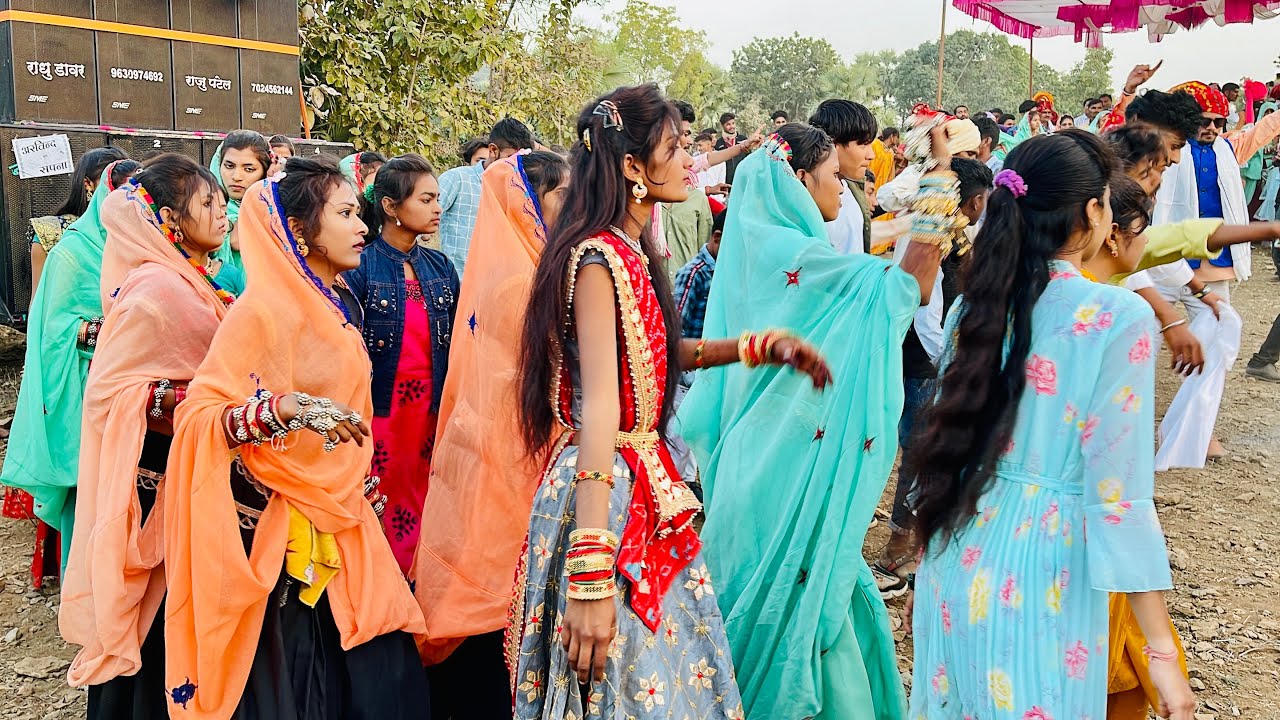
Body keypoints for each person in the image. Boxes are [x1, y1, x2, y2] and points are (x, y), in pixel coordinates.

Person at [510, 84, 830, 718]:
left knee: (663, 674)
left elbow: (650, 352)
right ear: (632, 167)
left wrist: (754, 347)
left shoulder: (627, 249)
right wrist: (593, 571)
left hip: (638, 486)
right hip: (607, 495)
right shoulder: (599, 257)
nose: (692, 161)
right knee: (626, 681)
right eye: (677, 147)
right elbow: (603, 405)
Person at [904, 130, 1196, 720]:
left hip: (956, 550)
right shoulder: (1116, 315)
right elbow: (1118, 497)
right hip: (1044, 566)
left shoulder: (979, 301)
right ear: (1093, 211)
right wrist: (1160, 653)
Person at [679, 119, 955, 719]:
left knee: (761, 584)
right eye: (831, 175)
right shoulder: (795, 255)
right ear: (799, 180)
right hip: (788, 467)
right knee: (802, 597)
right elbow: (900, 289)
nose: (840, 187)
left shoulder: (759, 250)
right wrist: (938, 183)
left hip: (757, 460)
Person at [163, 155, 428, 718]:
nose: (361, 228)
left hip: (346, 515)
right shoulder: (261, 312)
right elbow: (201, 414)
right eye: (346, 213)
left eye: (360, 214)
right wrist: (280, 410)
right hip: (288, 542)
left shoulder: (334, 304)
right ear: (302, 233)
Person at [59, 153, 234, 718]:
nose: (223, 210)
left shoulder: (192, 281)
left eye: (221, 199)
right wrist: (183, 401)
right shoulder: (157, 289)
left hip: (185, 466)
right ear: (169, 219)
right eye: (207, 201)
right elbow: (111, 392)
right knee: (149, 613)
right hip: (152, 477)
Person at [412, 151, 568, 718]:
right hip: (515, 456)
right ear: (527, 206)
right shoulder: (519, 284)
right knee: (506, 586)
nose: (571, 206)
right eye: (560, 196)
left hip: (521, 451)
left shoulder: (537, 271)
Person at [1, 158, 140, 588]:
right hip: (81, 386)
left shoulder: (143, 246)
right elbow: (53, 328)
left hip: (129, 384)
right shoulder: (71, 252)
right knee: (87, 489)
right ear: (98, 193)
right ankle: (83, 584)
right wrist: (114, 328)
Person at [873, 157, 992, 599]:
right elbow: (928, 312)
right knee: (919, 453)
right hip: (927, 361)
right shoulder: (939, 241)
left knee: (916, 452)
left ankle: (911, 541)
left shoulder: (933, 233)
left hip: (915, 357)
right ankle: (899, 546)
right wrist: (951, 362)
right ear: (976, 201)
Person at [342, 154, 458, 575]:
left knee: (425, 489)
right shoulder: (359, 266)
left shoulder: (440, 266)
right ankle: (380, 579)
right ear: (391, 207)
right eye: (426, 199)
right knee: (382, 492)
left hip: (429, 406)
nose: (437, 208)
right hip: (382, 406)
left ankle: (418, 577)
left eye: (437, 199)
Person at [438, 117, 536, 272]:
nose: (515, 165)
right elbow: (420, 216)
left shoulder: (518, 191)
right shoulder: (458, 179)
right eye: (511, 158)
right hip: (456, 284)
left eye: (521, 160)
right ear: (493, 150)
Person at [29, 146, 127, 295]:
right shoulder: (52, 232)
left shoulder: (136, 231)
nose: (119, 190)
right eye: (110, 181)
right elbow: (40, 302)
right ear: (87, 184)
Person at [809, 99, 879, 255]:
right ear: (833, 144)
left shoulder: (851, 187)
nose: (871, 155)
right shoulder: (811, 200)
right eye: (863, 145)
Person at [207, 130, 270, 292]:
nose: (236, 176)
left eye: (249, 169)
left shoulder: (274, 209)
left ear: (265, 172)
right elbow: (236, 241)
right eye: (229, 166)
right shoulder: (200, 207)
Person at [673, 209, 724, 342]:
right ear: (717, 238)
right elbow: (677, 326)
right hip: (697, 355)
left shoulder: (726, 270)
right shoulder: (693, 273)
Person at [715, 111, 749, 182]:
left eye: (733, 123)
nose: (732, 126)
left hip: (742, 180)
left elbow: (749, 158)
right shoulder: (718, 144)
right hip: (725, 182)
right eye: (728, 124)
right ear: (722, 126)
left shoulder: (743, 140)